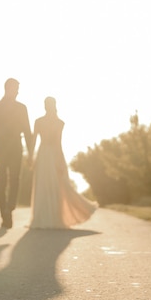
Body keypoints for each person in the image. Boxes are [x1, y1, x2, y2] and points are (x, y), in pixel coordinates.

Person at [29, 97, 97, 229]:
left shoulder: (58, 123)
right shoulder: (44, 122)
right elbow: (36, 140)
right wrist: (31, 157)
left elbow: (56, 143)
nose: (46, 106)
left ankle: (52, 218)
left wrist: (59, 162)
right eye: (45, 104)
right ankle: (44, 218)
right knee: (45, 185)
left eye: (47, 104)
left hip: (50, 154)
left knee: (55, 185)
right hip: (45, 155)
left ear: (51, 106)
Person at [0, 78, 33, 228]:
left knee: (13, 179)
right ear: (8, 88)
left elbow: (27, 131)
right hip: (2, 146)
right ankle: (5, 212)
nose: (18, 92)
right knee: (4, 179)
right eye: (16, 88)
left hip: (13, 145)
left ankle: (9, 208)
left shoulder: (21, 108)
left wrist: (31, 153)